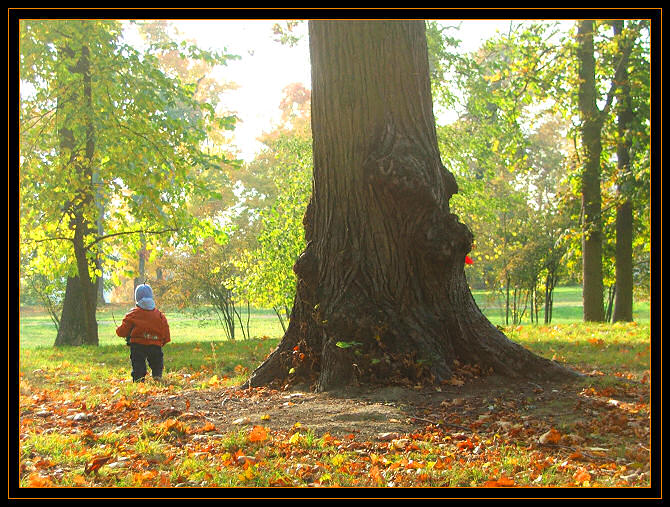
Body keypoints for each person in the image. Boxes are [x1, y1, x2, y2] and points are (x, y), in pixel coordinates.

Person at [116, 284, 170, 382]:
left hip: (138, 345)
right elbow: (165, 329)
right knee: (156, 361)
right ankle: (157, 375)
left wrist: (118, 330)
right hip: (155, 343)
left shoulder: (133, 314)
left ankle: (138, 379)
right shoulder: (159, 315)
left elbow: (123, 331)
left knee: (138, 362)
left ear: (137, 298)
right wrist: (164, 341)